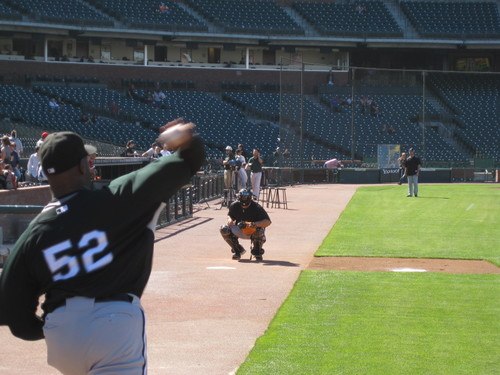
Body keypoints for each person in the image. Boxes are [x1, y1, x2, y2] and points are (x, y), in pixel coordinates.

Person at [0, 119, 205, 374]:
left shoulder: (33, 234)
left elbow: (13, 313)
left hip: (62, 335)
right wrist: (185, 139)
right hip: (113, 325)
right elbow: (188, 161)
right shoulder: (119, 196)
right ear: (83, 166)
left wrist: (51, 327)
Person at [220, 188, 271, 261]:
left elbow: (268, 221)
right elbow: (230, 215)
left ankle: (257, 251)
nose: (244, 206)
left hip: (253, 230)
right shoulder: (234, 205)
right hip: (240, 228)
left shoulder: (256, 207)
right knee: (224, 229)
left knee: (259, 230)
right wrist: (230, 220)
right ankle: (238, 250)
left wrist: (254, 224)